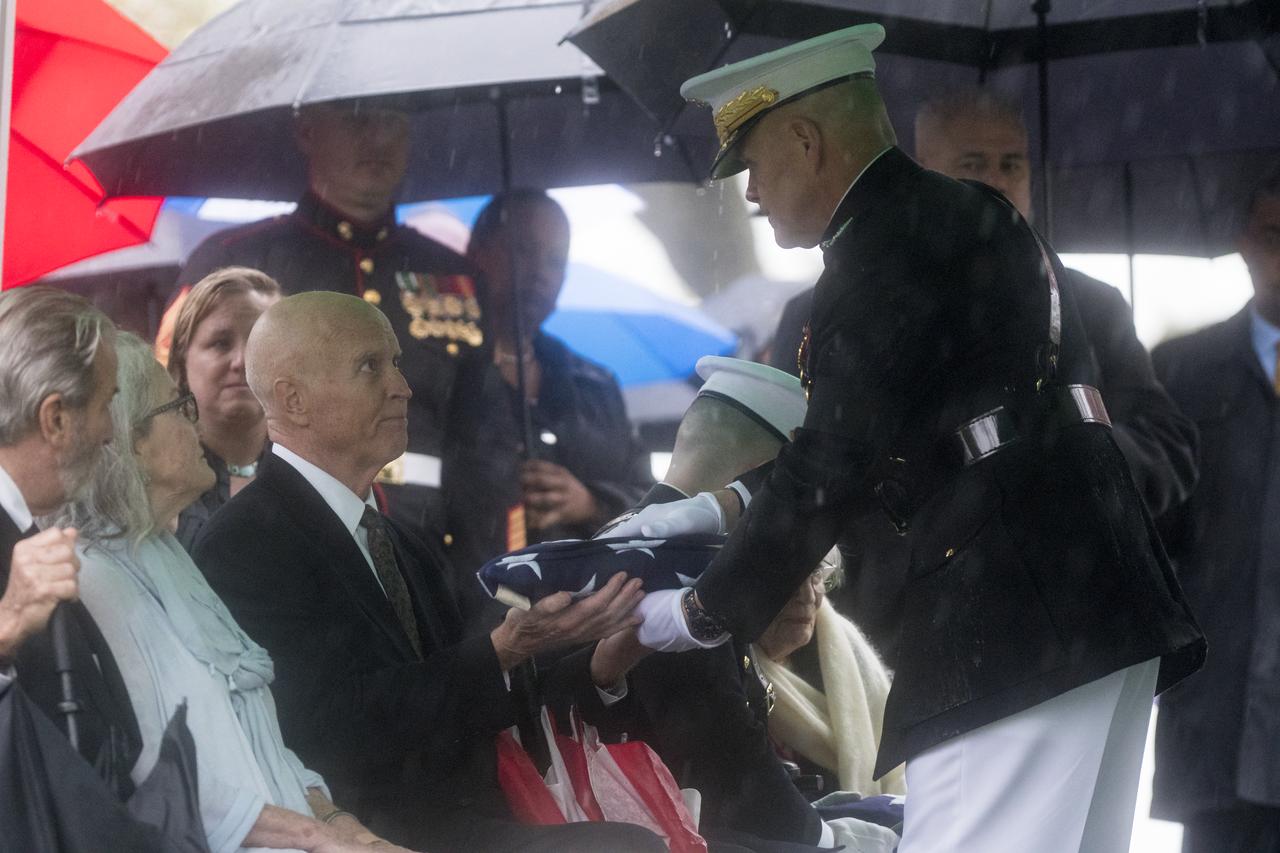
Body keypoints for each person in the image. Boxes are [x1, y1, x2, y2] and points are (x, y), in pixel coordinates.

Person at [618, 24, 1205, 852]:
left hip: (1009, 628)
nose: (749, 193)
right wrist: (721, 503)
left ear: (806, 141)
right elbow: (891, 437)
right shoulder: (966, 218)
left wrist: (702, 611)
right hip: (1095, 612)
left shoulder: (876, 253)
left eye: (751, 165)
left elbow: (832, 464)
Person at [192, 292, 665, 853]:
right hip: (372, 832)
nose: (403, 387)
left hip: (475, 815)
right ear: (294, 400)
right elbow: (323, 730)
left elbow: (476, 682)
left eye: (395, 363)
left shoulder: (397, 539)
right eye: (371, 366)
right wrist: (504, 652)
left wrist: (603, 659)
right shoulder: (245, 542)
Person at [768, 85, 1201, 664]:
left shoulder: (1087, 306)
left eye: (1012, 163)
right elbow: (793, 464)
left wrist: (1073, 458)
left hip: (1056, 626)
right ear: (919, 172)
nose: (998, 181)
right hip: (882, 630)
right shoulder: (827, 309)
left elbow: (1169, 445)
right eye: (973, 164)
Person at [49, 332, 408, 853]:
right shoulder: (91, 577)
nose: (195, 421)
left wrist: (342, 826)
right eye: (177, 405)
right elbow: (158, 775)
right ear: (130, 441)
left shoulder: (163, 552)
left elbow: (264, 745)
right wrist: (316, 839)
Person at [176, 98, 489, 548]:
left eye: (392, 120)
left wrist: (489, 589)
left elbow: (483, 448)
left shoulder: (455, 276)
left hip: (427, 545)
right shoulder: (235, 259)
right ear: (307, 133)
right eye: (357, 119)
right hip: (281, 538)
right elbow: (174, 405)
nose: (377, 138)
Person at [1150, 168, 1280, 852]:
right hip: (1216, 715)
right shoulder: (1184, 373)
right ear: (1243, 242)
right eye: (1273, 236)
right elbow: (1150, 538)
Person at [448, 190, 652, 613]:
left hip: (588, 624)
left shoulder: (594, 383)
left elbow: (651, 500)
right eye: (523, 250)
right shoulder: (441, 372)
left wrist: (591, 502)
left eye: (556, 260)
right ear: (477, 252)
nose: (540, 271)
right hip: (473, 618)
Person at [0, 286, 141, 800]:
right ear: (56, 419)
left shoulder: (26, 524)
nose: (109, 433)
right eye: (107, 404)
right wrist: (9, 622)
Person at [165, 266, 281, 550]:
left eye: (260, 342)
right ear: (182, 358)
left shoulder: (317, 477)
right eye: (220, 343)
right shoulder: (152, 485)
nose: (241, 360)